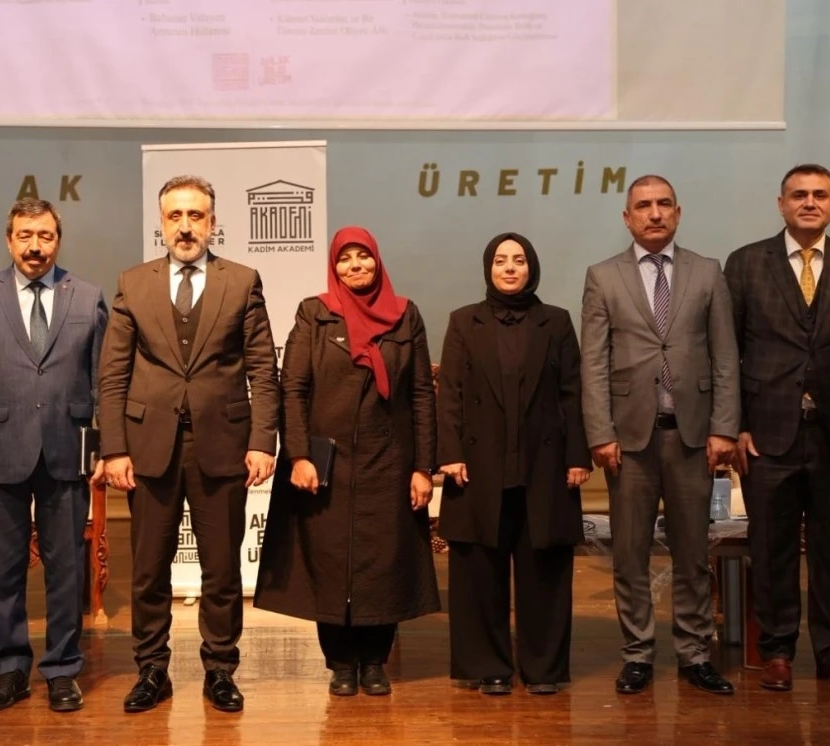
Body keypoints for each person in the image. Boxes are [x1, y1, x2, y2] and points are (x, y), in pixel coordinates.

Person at [98, 174, 280, 714]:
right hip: (147, 446)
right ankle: (152, 669)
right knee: (149, 570)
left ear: (212, 223)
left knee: (221, 571)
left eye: (195, 215)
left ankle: (220, 670)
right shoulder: (134, 282)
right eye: (174, 216)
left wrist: (262, 441)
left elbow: (263, 369)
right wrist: (114, 449)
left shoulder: (241, 281)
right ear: (161, 224)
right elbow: (113, 374)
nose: (184, 226)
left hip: (222, 444)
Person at [254, 226, 439, 697]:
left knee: (383, 561)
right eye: (345, 258)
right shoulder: (314, 313)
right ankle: (340, 662)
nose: (355, 266)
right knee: (329, 561)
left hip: (388, 460)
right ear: (334, 266)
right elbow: (293, 388)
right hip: (326, 462)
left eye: (363, 257)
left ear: (378, 261)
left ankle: (375, 662)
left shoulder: (405, 315)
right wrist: (298, 455)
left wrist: (423, 467)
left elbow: (421, 393)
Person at [725, 163, 830, 693]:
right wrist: (736, 425)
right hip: (767, 433)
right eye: (799, 195)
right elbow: (728, 352)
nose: (809, 202)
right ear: (781, 204)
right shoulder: (747, 263)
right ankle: (776, 652)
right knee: (770, 547)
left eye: (820, 195)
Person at [580, 175, 740, 695]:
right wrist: (600, 432)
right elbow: (594, 363)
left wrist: (724, 427)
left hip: (693, 436)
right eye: (644, 205)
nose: (654, 213)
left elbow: (725, 356)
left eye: (664, 204)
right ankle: (638, 655)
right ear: (627, 217)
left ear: (678, 212)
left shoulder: (707, 271)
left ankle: (695, 654)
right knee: (630, 554)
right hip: (629, 441)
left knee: (693, 554)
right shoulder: (603, 276)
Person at [0, 198, 108, 713]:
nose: (35, 246)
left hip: (68, 451)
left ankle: (62, 669)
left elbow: (104, 383)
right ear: (9, 240)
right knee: (4, 570)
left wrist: (103, 449)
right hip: (0, 454)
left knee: (67, 569)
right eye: (25, 235)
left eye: (44, 235)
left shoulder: (88, 296)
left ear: (57, 240)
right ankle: (10, 669)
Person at [436, 232, 589, 695]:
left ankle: (543, 669)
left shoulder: (556, 321)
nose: (509, 268)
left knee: (544, 568)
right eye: (500, 260)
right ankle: (489, 667)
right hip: (477, 465)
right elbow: (450, 395)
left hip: (545, 463)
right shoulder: (463, 321)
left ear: (531, 268)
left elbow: (572, 392)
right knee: (479, 571)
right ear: (488, 268)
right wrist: (449, 453)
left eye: (518, 260)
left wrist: (578, 456)